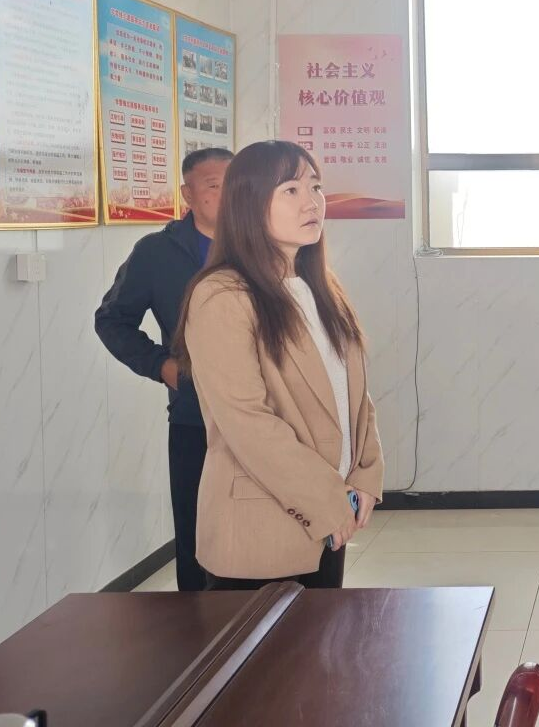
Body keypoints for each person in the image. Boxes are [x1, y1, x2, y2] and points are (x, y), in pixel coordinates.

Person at [174, 140, 382, 589]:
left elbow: (354, 395)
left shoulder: (320, 287)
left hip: (331, 520)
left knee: (321, 634)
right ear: (248, 203)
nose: (312, 202)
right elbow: (247, 421)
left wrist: (366, 474)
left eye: (316, 187)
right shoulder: (222, 296)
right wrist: (326, 500)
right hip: (262, 530)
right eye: (290, 189)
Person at [95, 147, 233, 591]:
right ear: (187, 194)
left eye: (236, 183)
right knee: (197, 539)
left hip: (272, 415)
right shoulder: (157, 252)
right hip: (197, 418)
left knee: (264, 538)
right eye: (214, 185)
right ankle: (199, 628)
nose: (228, 194)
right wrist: (161, 366)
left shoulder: (266, 243)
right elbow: (112, 320)